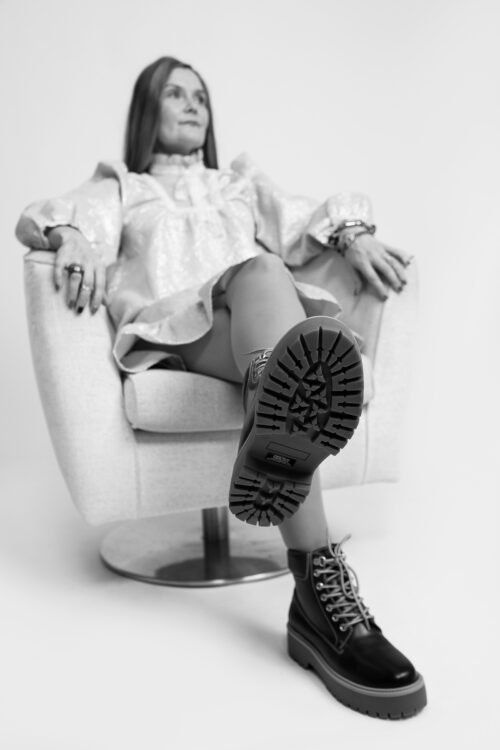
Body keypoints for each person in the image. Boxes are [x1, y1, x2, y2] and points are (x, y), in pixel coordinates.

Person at [16, 56, 426, 719]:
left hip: (255, 327)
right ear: (146, 109)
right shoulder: (121, 186)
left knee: (266, 277)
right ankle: (322, 589)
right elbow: (50, 216)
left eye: (201, 97)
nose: (192, 106)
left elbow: (305, 219)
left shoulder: (240, 184)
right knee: (268, 288)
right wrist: (72, 238)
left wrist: (351, 235)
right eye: (175, 94)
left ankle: (275, 405)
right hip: (182, 336)